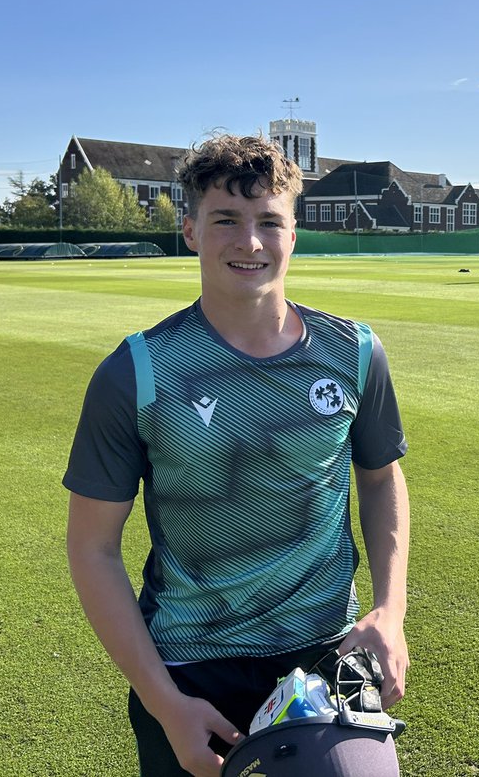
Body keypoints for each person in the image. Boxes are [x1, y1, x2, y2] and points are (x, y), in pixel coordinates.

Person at [64, 133, 411, 777]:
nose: (249, 243)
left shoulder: (356, 352)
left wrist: (390, 612)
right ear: (191, 229)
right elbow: (93, 549)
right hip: (192, 665)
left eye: (268, 223)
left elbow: (382, 480)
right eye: (226, 220)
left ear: (294, 234)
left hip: (326, 653)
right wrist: (166, 705)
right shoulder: (135, 372)